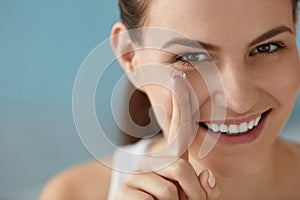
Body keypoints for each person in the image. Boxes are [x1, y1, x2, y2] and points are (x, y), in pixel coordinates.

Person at [40, 0, 300, 199]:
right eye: (192, 57)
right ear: (132, 58)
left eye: (267, 47)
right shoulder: (71, 193)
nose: (238, 100)